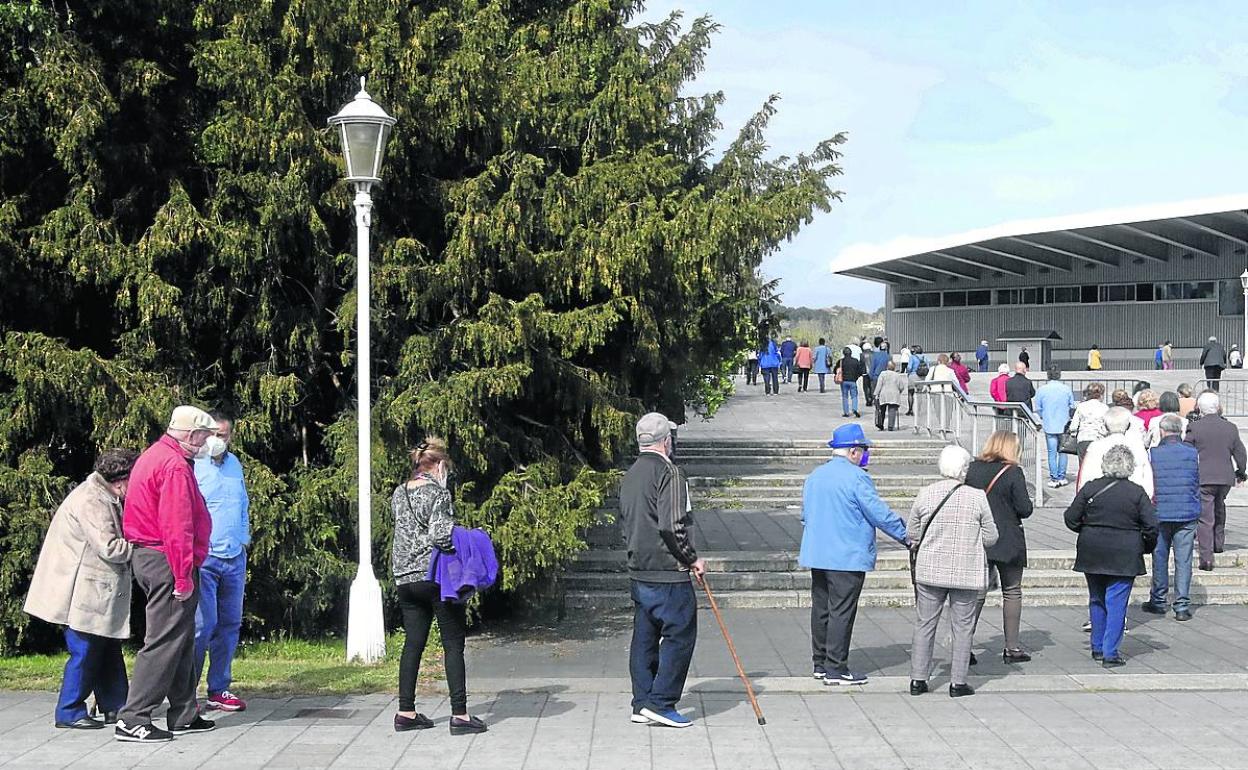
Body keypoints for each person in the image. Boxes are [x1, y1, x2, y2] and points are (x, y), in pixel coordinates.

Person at [115, 406, 218, 743]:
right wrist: (183, 577)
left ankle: (184, 712)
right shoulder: (174, 465)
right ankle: (133, 717)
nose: (206, 443)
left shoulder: (155, 455)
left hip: (153, 558)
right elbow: (177, 526)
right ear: (191, 434)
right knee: (163, 640)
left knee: (181, 638)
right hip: (167, 560)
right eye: (204, 436)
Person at [24, 449, 140, 729]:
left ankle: (116, 705)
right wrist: (143, 544)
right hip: (81, 590)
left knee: (107, 646)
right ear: (121, 480)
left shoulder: (103, 494)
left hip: (92, 587)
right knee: (85, 650)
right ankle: (69, 711)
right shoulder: (92, 500)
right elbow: (110, 547)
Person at [391, 437, 486, 735]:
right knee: (453, 643)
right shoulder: (438, 493)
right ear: (440, 465)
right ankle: (460, 715)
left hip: (404, 578)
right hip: (434, 577)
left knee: (413, 643)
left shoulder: (399, 492)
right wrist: (467, 540)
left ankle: (405, 712)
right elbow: (440, 535)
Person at [801, 424, 908, 686]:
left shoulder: (815, 476)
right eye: (863, 450)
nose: (865, 455)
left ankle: (820, 663)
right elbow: (878, 514)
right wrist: (906, 536)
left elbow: (805, 515)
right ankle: (836, 668)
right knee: (842, 611)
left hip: (818, 553)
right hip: (847, 555)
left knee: (821, 609)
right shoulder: (857, 478)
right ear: (853, 451)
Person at [619, 413, 705, 728]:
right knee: (680, 634)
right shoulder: (670, 472)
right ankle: (661, 702)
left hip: (639, 567)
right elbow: (672, 524)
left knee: (644, 636)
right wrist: (691, 558)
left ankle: (642, 702)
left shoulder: (630, 474)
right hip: (668, 569)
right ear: (667, 440)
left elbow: (625, 522)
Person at [907, 446, 997, 698]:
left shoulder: (925, 493)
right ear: (964, 469)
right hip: (965, 571)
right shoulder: (977, 497)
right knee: (963, 627)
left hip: (930, 570)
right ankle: (958, 682)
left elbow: (912, 533)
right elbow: (991, 537)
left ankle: (918, 679)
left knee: (925, 624)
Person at [1064, 445, 1158, 667]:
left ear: (1105, 464)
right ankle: (1110, 652)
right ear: (1130, 467)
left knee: (1097, 598)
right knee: (1117, 601)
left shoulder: (1090, 488)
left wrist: (1088, 530)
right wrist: (1144, 546)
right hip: (1125, 552)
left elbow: (1071, 518)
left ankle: (1097, 646)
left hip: (1092, 550)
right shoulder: (1136, 493)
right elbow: (1152, 526)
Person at [190, 415, 250, 713]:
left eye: (223, 435)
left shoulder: (234, 464)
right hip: (205, 558)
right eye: (213, 434)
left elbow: (242, 503)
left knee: (229, 625)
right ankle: (186, 692)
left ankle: (219, 688)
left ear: (230, 437)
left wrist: (244, 537)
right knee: (202, 626)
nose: (217, 440)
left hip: (234, 556)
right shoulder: (193, 465)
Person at [965, 432, 1034, 663]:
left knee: (977, 593)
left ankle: (964, 646)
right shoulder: (1013, 472)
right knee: (1012, 591)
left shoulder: (973, 469)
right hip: (1008, 538)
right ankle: (1012, 648)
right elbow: (1024, 508)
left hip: (979, 536)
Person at [1142, 415, 1199, 621]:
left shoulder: (1153, 453)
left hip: (1160, 512)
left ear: (1162, 431)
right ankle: (1181, 606)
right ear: (1180, 431)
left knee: (1160, 557)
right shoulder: (1192, 453)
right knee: (1184, 560)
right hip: (1186, 511)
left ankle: (1158, 600)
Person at [1185, 391, 1248, 571]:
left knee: (1205, 517)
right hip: (1225, 476)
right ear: (1218, 407)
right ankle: (1218, 544)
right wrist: (1241, 471)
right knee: (1219, 507)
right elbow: (1240, 452)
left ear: (1199, 408)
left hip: (1204, 476)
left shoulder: (1194, 427)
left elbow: (1187, 450)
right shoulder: (1230, 427)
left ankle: (1206, 557)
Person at [1079, 407, 1153, 497]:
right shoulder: (1138, 447)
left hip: (1101, 498)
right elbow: (1147, 480)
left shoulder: (1095, 447)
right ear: (1128, 426)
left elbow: (1085, 477)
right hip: (1133, 498)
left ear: (1105, 426)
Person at [1035, 365, 1075, 488]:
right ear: (1059, 375)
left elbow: (1038, 408)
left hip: (1049, 424)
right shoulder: (1066, 389)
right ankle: (1062, 476)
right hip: (1063, 425)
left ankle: (1054, 478)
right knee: (1063, 451)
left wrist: (1044, 416)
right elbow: (1072, 406)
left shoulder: (1041, 390)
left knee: (1051, 453)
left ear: (1048, 375)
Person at [1069, 383, 1109, 461]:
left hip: (1083, 438)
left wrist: (1073, 434)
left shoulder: (1081, 406)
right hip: (1098, 439)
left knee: (1083, 465)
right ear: (1101, 395)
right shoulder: (1104, 407)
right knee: (1097, 464)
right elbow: (1107, 426)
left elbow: (1073, 426)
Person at [874, 361, 907, 431]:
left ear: (887, 367)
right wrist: (899, 392)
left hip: (883, 394)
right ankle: (890, 426)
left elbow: (879, 385)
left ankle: (880, 424)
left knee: (882, 409)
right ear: (894, 368)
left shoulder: (882, 374)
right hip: (894, 394)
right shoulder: (897, 375)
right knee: (892, 409)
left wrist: (876, 393)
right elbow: (901, 387)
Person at [835, 346, 863, 418]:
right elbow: (860, 371)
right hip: (853, 381)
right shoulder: (855, 361)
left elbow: (835, 370)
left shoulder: (841, 361)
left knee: (845, 397)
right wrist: (856, 377)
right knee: (854, 396)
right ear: (851, 353)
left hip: (844, 381)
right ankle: (854, 409)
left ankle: (846, 412)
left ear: (844, 353)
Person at [868, 338, 891, 405]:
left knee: (875, 393)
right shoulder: (889, 357)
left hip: (876, 376)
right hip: (885, 377)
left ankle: (877, 407)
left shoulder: (875, 355)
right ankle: (882, 406)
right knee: (883, 393)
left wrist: (871, 376)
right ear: (886, 348)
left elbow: (872, 367)